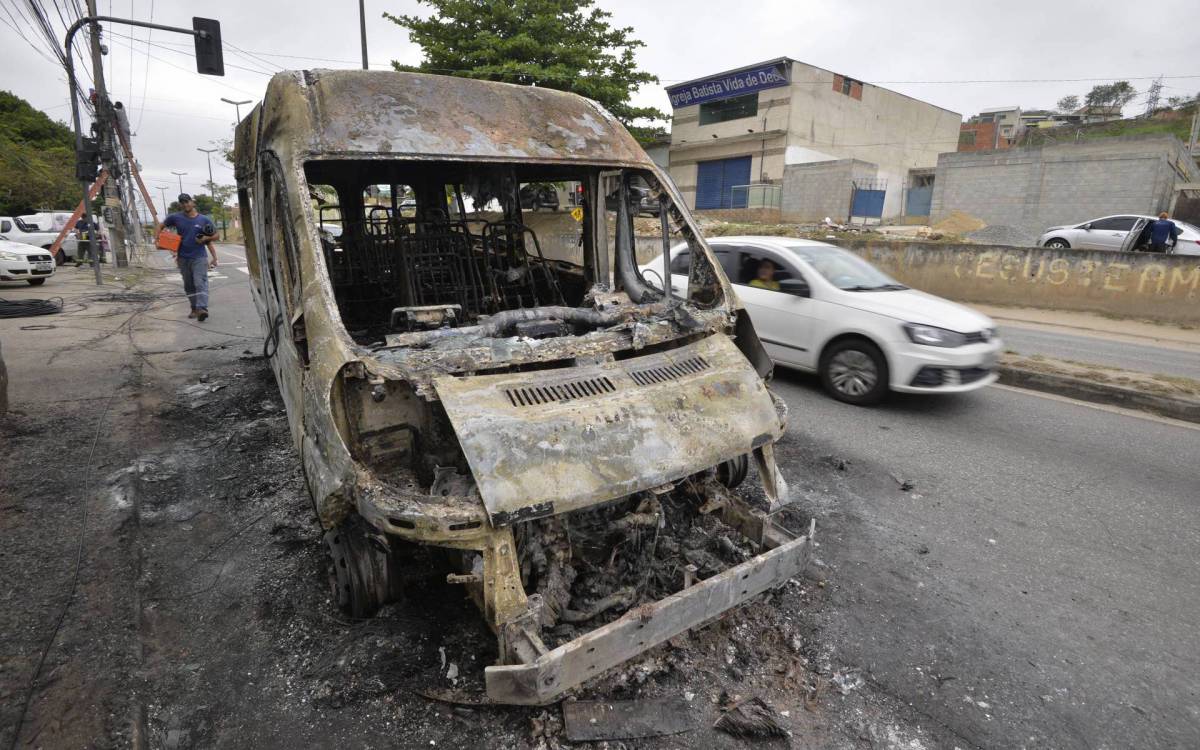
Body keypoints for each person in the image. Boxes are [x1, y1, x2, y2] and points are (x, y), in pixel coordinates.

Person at [162, 194, 218, 320]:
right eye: (182, 202)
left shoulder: (204, 220)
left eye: (187, 202)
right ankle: (194, 308)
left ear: (192, 202)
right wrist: (158, 239)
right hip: (183, 258)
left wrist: (206, 239)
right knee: (189, 285)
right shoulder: (175, 218)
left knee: (200, 282)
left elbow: (215, 236)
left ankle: (202, 308)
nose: (185, 204)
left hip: (199, 257)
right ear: (180, 205)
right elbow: (161, 226)